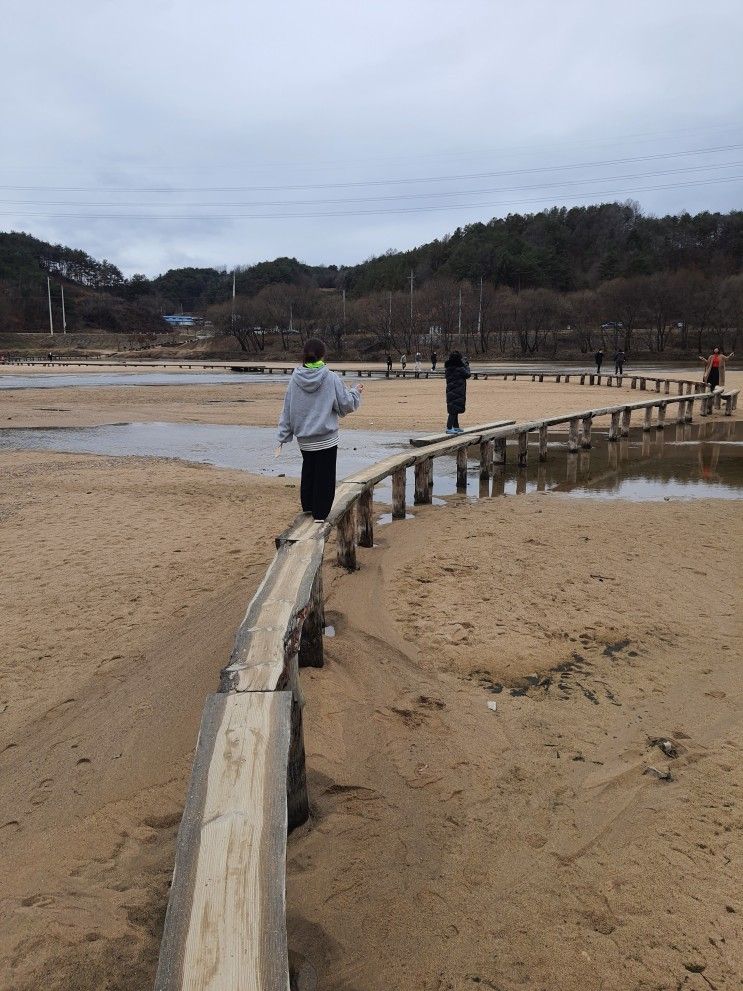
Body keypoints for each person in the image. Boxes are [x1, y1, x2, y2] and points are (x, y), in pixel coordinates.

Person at [277, 338, 363, 522]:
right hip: (326, 437)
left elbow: (288, 408)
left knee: (309, 470)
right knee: (325, 475)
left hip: (305, 439)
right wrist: (356, 391)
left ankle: (308, 506)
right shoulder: (330, 377)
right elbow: (345, 404)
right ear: (323, 355)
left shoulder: (295, 378)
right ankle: (320, 513)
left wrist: (283, 435)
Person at [444, 350, 471, 434]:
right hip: (458, 390)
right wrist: (466, 365)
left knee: (454, 409)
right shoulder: (460, 368)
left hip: (451, 390)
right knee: (453, 411)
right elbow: (468, 374)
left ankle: (455, 426)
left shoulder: (448, 368)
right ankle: (449, 427)